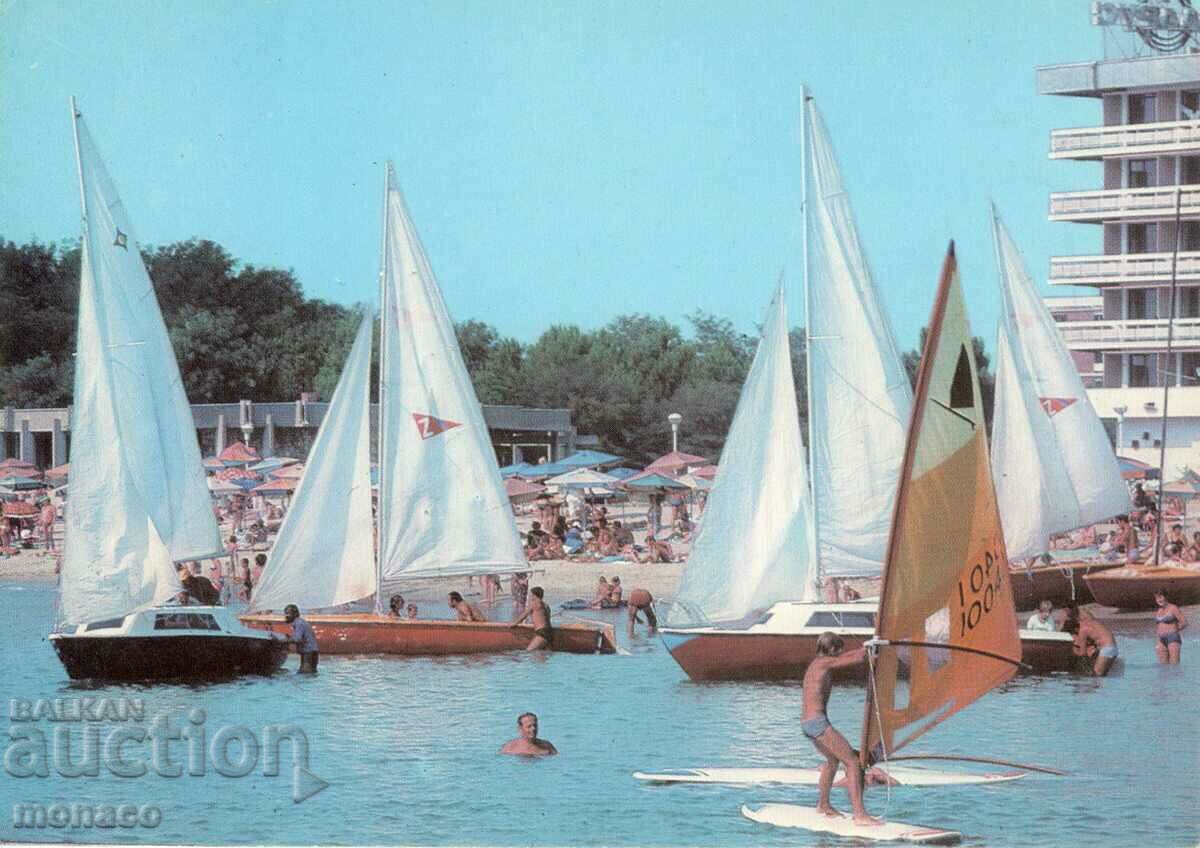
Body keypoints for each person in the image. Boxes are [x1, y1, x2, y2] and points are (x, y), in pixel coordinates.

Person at [802, 632, 881, 826]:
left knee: (832, 761)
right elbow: (853, 658)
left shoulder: (816, 665)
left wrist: (868, 649)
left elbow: (850, 657)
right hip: (817, 723)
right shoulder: (823, 663)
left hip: (809, 724)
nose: (840, 654)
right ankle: (860, 815)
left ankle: (823, 805)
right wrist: (870, 647)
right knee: (853, 762)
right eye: (838, 650)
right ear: (831, 649)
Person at [1064, 603, 1118, 677]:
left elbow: (1082, 653)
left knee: (1096, 676)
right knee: (1104, 677)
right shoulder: (1090, 621)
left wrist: (1072, 649)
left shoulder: (1083, 630)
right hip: (1114, 648)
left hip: (1106, 649)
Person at [1154, 589, 1187, 665]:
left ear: (1166, 597)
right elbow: (1159, 626)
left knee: (1174, 665)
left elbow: (1184, 622)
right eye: (1156, 598)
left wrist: (1175, 630)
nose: (1159, 600)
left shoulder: (1173, 608)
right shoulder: (1159, 610)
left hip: (1173, 638)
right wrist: (1157, 640)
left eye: (1160, 597)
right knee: (1163, 667)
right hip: (1161, 639)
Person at [284, 604, 319, 673]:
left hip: (308, 653)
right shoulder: (301, 622)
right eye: (285, 614)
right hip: (311, 652)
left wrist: (282, 641)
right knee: (309, 674)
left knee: (304, 674)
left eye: (288, 614)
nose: (286, 616)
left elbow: (297, 639)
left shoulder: (298, 623)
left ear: (295, 614)